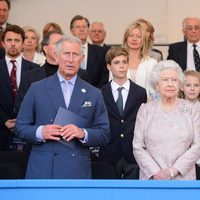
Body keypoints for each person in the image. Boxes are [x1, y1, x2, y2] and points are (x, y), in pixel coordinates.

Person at [15, 35, 110, 179]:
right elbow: (20, 127)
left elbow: (104, 133)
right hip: (44, 169)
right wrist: (41, 131)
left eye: (75, 54)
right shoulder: (36, 89)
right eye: (66, 54)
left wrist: (82, 133)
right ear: (57, 56)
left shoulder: (94, 93)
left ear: (82, 58)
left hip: (76, 170)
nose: (71, 59)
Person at [133, 60, 200, 180]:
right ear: (157, 84)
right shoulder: (146, 110)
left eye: (174, 80)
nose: (170, 84)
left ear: (180, 85)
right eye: (165, 80)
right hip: (153, 179)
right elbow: (138, 146)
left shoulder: (190, 109)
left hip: (183, 179)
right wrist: (157, 173)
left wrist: (173, 171)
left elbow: (197, 145)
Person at [99, 46, 147, 179]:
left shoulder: (140, 92)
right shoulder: (101, 93)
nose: (121, 66)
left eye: (124, 62)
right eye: (116, 62)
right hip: (108, 152)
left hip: (133, 153)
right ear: (109, 66)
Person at [0, 25, 39, 151]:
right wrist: (5, 120)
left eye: (16, 41)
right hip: (1, 129)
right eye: (9, 40)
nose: (12, 44)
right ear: (3, 43)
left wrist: (22, 120)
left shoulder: (35, 69)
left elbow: (38, 100)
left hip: (28, 130)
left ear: (22, 44)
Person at [15, 31, 63, 113]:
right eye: (57, 44)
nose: (61, 48)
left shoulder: (79, 74)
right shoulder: (29, 77)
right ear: (45, 48)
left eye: (63, 45)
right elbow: (21, 108)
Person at [121, 21, 157, 99]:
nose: (134, 39)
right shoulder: (117, 62)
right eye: (131, 35)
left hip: (146, 106)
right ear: (126, 38)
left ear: (143, 41)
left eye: (138, 36)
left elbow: (154, 90)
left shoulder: (152, 63)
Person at [70, 15, 108, 88]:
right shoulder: (66, 52)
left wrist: (95, 93)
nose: (82, 29)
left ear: (88, 30)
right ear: (72, 31)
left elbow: (105, 77)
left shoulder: (101, 52)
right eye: (78, 27)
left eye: (84, 27)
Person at [180, 70, 200, 179]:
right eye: (188, 85)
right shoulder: (177, 108)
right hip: (182, 160)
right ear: (181, 87)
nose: (192, 88)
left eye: (196, 85)